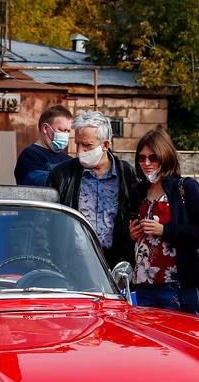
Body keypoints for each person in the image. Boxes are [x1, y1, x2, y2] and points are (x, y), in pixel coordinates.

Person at [127, 128, 199, 312]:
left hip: (176, 284)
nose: (146, 163)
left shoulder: (185, 188)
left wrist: (165, 230)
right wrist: (132, 233)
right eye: (141, 158)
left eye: (153, 158)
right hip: (143, 283)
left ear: (165, 157)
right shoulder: (138, 192)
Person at [47, 110, 138, 267]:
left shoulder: (125, 173)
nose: (81, 150)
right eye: (78, 144)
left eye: (87, 145)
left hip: (115, 262)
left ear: (105, 145)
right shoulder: (62, 174)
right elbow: (46, 221)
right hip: (73, 263)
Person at [14, 105, 73, 186]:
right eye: (62, 130)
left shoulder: (68, 159)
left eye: (68, 131)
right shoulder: (30, 155)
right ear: (45, 128)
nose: (65, 134)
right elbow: (37, 183)